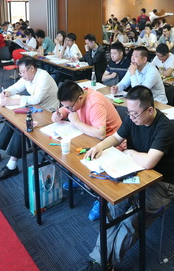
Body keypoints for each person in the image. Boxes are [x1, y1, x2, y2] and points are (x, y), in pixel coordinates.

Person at [83, 86, 174, 270]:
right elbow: (116, 138)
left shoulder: (164, 128)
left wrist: (129, 152)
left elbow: (149, 162)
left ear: (150, 110)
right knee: (114, 209)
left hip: (162, 185)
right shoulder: (132, 117)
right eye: (128, 112)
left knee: (131, 221)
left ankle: (105, 264)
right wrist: (100, 147)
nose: (131, 117)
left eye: (135, 113)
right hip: (137, 174)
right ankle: (99, 259)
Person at [0, 57, 59, 180]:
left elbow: (36, 99)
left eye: (23, 72)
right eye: (20, 72)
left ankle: (12, 166)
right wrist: (7, 92)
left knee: (21, 127)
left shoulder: (43, 77)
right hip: (35, 109)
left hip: (48, 112)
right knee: (11, 120)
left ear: (31, 68)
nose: (21, 75)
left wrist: (12, 101)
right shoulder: (27, 76)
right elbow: (16, 87)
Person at [52, 80, 124, 221]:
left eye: (70, 107)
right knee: (72, 150)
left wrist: (76, 122)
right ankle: (82, 180)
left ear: (80, 98)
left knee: (91, 159)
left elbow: (100, 134)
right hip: (91, 137)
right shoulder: (76, 97)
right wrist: (59, 113)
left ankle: (101, 199)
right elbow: (67, 110)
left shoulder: (95, 103)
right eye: (65, 105)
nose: (69, 109)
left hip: (112, 142)